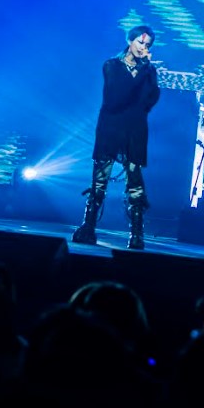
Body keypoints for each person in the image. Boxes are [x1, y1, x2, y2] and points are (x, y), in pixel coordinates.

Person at [72, 26, 161, 250]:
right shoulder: (112, 65)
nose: (143, 48)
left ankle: (137, 234)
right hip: (111, 127)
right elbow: (117, 95)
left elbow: (151, 98)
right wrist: (143, 72)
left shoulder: (149, 70)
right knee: (100, 178)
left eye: (148, 45)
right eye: (140, 42)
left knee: (135, 180)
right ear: (130, 41)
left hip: (135, 129)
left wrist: (146, 71)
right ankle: (88, 227)